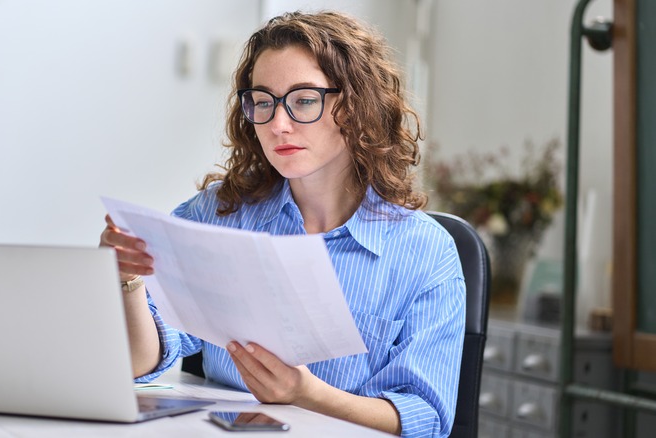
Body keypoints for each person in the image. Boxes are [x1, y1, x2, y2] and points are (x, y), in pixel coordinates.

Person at [99, 11, 465, 437]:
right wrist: (128, 281)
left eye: (304, 100)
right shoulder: (219, 213)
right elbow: (141, 363)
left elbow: (427, 419)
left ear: (356, 106)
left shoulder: (427, 252)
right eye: (263, 101)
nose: (278, 124)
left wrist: (306, 393)